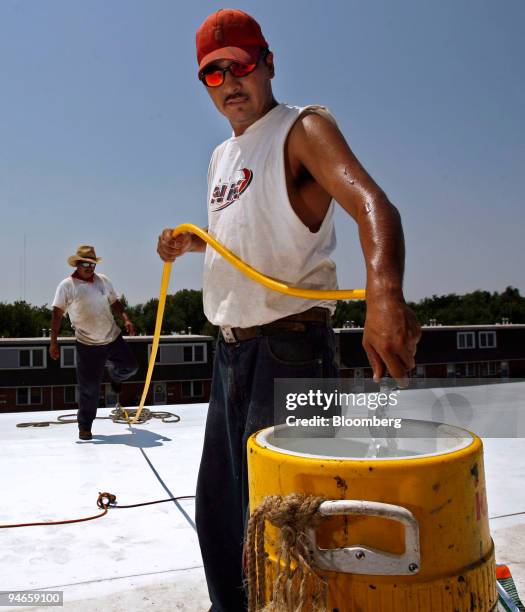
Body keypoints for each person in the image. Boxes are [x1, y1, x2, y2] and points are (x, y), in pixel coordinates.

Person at [157, 9, 421, 611]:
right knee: (221, 513)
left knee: (285, 526)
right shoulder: (222, 156)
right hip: (231, 353)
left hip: (289, 350)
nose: (230, 81)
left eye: (241, 65)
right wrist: (196, 241)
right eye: (213, 73)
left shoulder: (302, 128)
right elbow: (254, 231)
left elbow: (374, 204)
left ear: (268, 63)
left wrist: (384, 291)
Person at [49, 245, 138, 441]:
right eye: (86, 264)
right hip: (87, 344)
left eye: (93, 264)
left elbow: (115, 302)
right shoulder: (67, 286)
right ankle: (85, 427)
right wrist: (53, 342)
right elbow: (57, 314)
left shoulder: (103, 281)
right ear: (77, 264)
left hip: (111, 337)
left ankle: (115, 375)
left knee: (131, 367)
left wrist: (126, 319)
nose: (90, 267)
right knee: (89, 388)